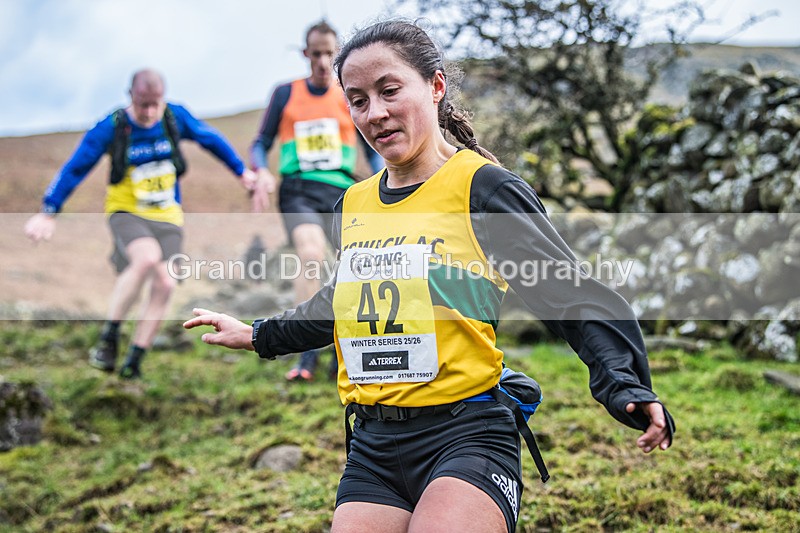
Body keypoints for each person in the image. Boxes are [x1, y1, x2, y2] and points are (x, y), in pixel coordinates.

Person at [184, 21, 674, 533]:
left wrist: (623, 383)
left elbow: (570, 296)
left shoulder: (484, 190)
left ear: (435, 86)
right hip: (373, 447)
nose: (375, 113)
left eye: (389, 91)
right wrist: (258, 334)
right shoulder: (351, 204)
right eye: (358, 100)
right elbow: (341, 304)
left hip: (468, 433)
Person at [25, 68, 263, 380]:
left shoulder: (174, 117)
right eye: (142, 105)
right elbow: (76, 166)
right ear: (131, 97)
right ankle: (109, 339)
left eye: (155, 104)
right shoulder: (112, 127)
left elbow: (210, 139)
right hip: (127, 212)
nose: (149, 112)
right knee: (146, 259)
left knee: (165, 283)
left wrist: (242, 172)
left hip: (168, 216)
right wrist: (49, 210)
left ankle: (134, 361)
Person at [249, 20, 383, 382]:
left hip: (342, 190)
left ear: (338, 55)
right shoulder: (285, 94)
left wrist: (386, 178)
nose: (323, 62)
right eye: (316, 54)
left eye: (329, 54)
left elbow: (371, 148)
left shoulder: (350, 95)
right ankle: (305, 355)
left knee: (356, 265)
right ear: (305, 54)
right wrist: (261, 171)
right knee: (311, 257)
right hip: (298, 189)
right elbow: (260, 142)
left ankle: (351, 349)